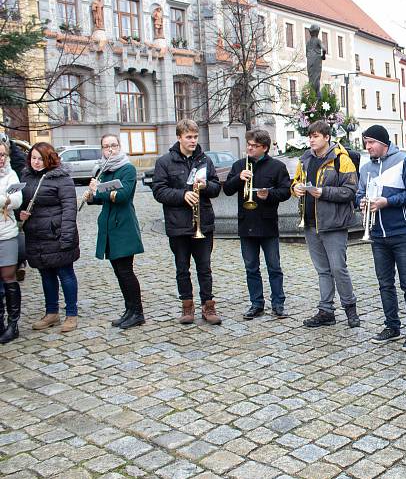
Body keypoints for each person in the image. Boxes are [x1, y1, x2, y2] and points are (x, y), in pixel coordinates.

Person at [356, 125, 406, 350]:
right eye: (366, 143)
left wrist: (387, 202)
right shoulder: (365, 168)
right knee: (385, 284)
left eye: (371, 143)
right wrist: (362, 202)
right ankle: (392, 326)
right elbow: (358, 194)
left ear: (384, 143)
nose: (368, 147)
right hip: (377, 234)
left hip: (403, 232)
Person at [291, 120, 361, 328]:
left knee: (338, 268)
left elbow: (350, 191)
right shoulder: (305, 159)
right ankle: (326, 310)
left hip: (334, 223)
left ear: (326, 137)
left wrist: (324, 192)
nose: (311, 140)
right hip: (311, 222)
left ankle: (350, 308)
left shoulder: (341, 159)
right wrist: (295, 189)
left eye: (315, 136)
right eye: (310, 136)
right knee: (322, 270)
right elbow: (294, 182)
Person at [152, 119, 222, 325]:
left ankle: (208, 306)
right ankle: (187, 306)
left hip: (203, 223)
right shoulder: (164, 162)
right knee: (182, 267)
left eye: (195, 137)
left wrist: (206, 185)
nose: (193, 141)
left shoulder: (205, 160)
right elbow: (159, 190)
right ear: (179, 138)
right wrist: (183, 195)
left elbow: (216, 188)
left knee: (205, 267)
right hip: (178, 224)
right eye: (188, 137)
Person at [223, 129, 291, 319]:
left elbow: (285, 192)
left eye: (254, 146)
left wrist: (269, 195)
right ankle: (256, 303)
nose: (250, 149)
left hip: (267, 224)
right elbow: (227, 190)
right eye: (249, 145)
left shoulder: (277, 167)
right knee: (251, 267)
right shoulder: (239, 165)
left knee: (274, 267)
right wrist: (238, 178)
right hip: (246, 224)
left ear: (265, 148)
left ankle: (278, 303)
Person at [83, 134, 145, 329]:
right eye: (106, 146)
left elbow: (122, 195)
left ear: (119, 147)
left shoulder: (127, 168)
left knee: (126, 271)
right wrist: (91, 196)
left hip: (123, 226)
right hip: (109, 227)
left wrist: (99, 191)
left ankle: (138, 312)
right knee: (119, 271)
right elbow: (103, 197)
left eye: (114, 145)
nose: (110, 149)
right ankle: (129, 309)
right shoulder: (104, 170)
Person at [20, 143, 80, 333]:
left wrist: (67, 236)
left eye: (40, 158)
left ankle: (71, 314)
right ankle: (51, 313)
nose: (36, 162)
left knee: (65, 274)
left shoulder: (62, 178)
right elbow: (18, 204)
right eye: (33, 158)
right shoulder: (26, 177)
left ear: (49, 159)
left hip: (57, 233)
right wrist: (19, 215)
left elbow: (69, 209)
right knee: (46, 274)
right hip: (36, 235)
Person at [0, 140, 23, 343]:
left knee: (9, 277)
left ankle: (13, 323)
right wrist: (4, 199)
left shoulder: (11, 175)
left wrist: (5, 200)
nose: (0, 159)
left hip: (6, 234)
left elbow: (16, 200)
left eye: (2, 155)